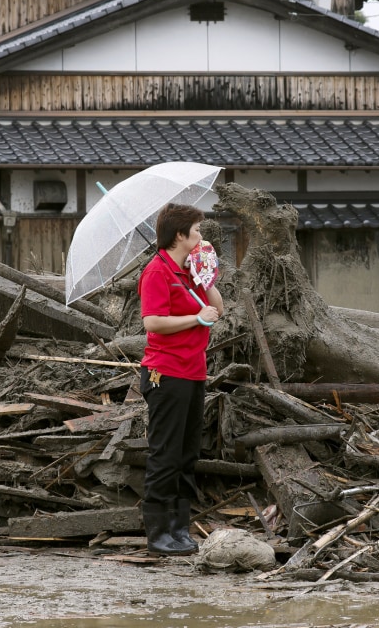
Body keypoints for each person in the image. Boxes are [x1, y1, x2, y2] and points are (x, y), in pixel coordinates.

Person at [137, 202, 224, 555]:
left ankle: (180, 529)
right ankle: (157, 533)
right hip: (165, 372)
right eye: (197, 231)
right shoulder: (156, 272)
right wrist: (195, 319)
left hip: (193, 370)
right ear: (180, 235)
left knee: (188, 454)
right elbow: (152, 322)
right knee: (165, 454)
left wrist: (208, 279)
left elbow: (218, 308)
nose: (201, 236)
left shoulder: (189, 271)